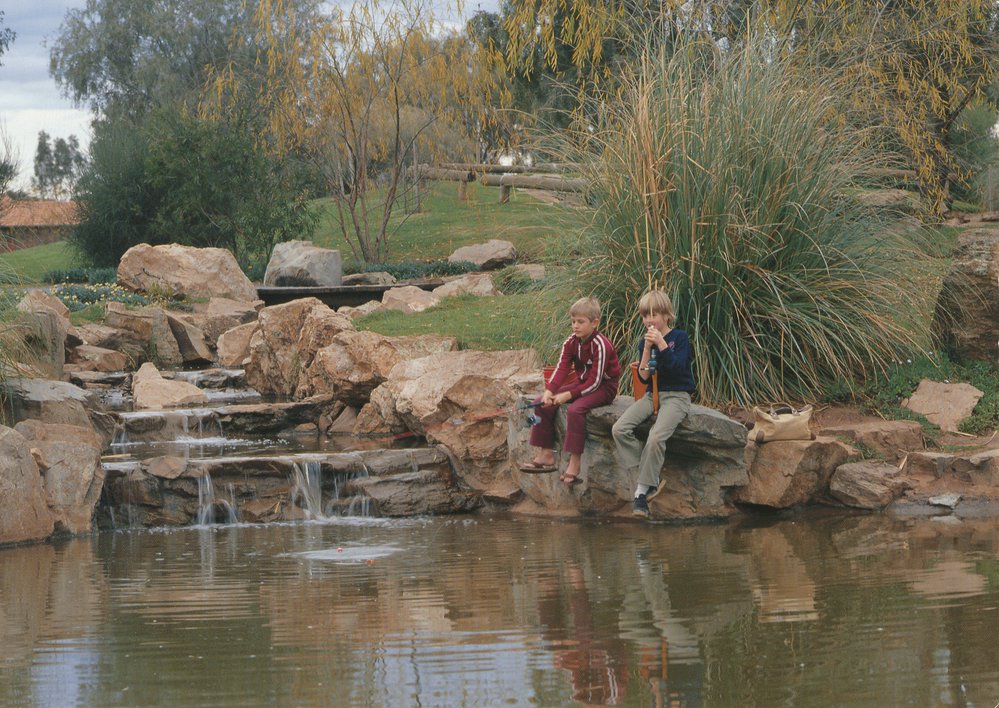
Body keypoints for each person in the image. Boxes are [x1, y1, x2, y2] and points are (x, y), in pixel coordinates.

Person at [612, 290, 695, 518]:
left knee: (656, 437)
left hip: (677, 395)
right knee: (619, 429)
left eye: (654, 315)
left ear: (666, 315)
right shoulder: (645, 343)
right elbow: (643, 378)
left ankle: (641, 492)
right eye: (645, 316)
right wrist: (648, 349)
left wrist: (661, 344)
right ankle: (647, 477)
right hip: (653, 395)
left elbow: (678, 368)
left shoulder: (679, 338)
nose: (649, 320)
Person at [520, 296, 621, 484]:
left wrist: (567, 395)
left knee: (575, 410)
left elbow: (595, 382)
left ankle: (575, 462)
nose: (575, 326)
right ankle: (546, 454)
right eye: (573, 321)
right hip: (583, 384)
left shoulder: (601, 345)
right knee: (540, 402)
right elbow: (561, 369)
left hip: (604, 388)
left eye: (581, 322)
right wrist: (550, 391)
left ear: (595, 323)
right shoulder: (571, 342)